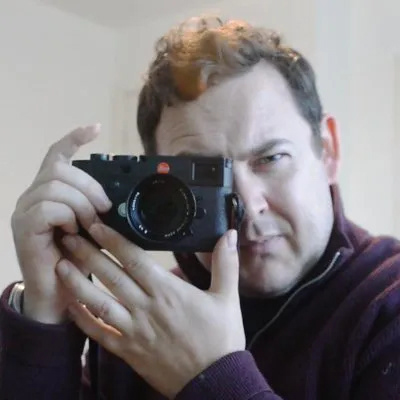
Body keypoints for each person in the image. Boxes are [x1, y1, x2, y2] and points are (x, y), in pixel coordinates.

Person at [1, 16, 399, 400]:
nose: (246, 206)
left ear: (327, 150)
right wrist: (44, 316)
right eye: (206, 177)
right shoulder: (144, 321)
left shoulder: (388, 306)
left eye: (270, 158)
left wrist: (211, 376)